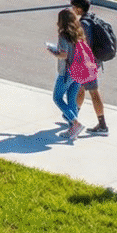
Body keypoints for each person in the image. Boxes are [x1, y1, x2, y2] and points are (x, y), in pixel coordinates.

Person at [70, 0, 108, 134]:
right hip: (92, 61)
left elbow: (84, 46)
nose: (72, 9)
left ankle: (102, 125)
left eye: (73, 7)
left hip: (87, 63)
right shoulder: (92, 18)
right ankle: (73, 117)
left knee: (93, 92)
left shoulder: (84, 24)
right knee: (81, 89)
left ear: (79, 9)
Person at [47, 8, 85, 140]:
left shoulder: (63, 35)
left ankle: (75, 123)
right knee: (71, 99)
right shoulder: (79, 33)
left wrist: (52, 51)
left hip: (67, 72)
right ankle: (73, 128)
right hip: (79, 70)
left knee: (57, 98)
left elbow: (63, 54)